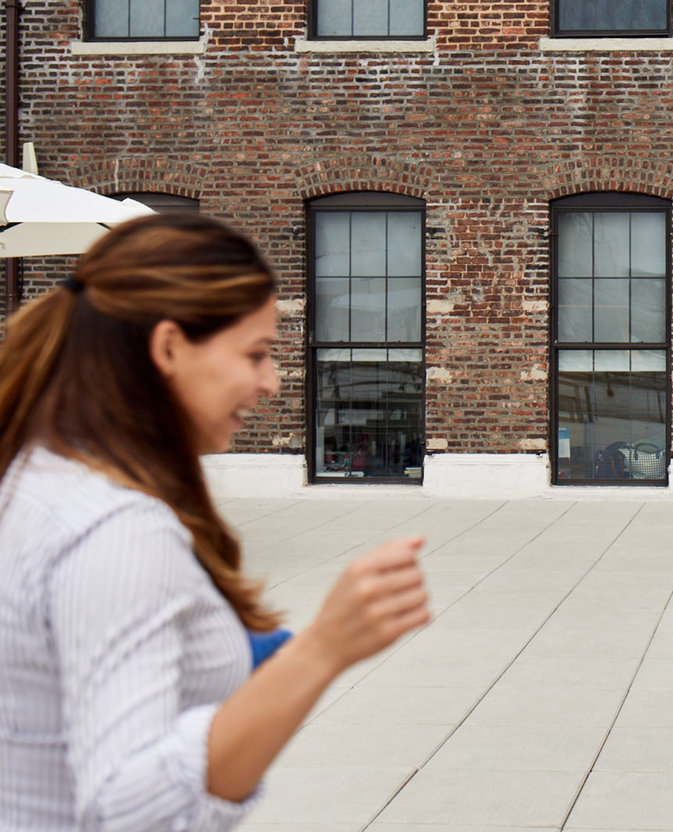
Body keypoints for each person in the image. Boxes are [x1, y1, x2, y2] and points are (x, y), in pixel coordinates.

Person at [0, 214, 431, 831]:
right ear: (169, 347)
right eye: (254, 353)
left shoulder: (33, 479)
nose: (272, 383)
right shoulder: (119, 529)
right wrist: (320, 651)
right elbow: (130, 808)